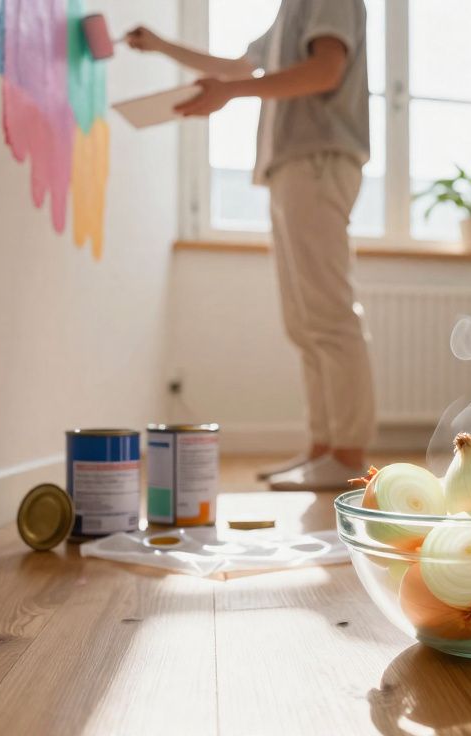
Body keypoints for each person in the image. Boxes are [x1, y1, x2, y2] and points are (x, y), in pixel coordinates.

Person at [127, 1, 374, 491]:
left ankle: (348, 456)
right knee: (304, 321)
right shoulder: (290, 12)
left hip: (319, 161)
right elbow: (236, 68)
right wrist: (160, 45)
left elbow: (326, 70)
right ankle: (323, 449)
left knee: (328, 314)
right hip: (293, 167)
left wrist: (230, 94)